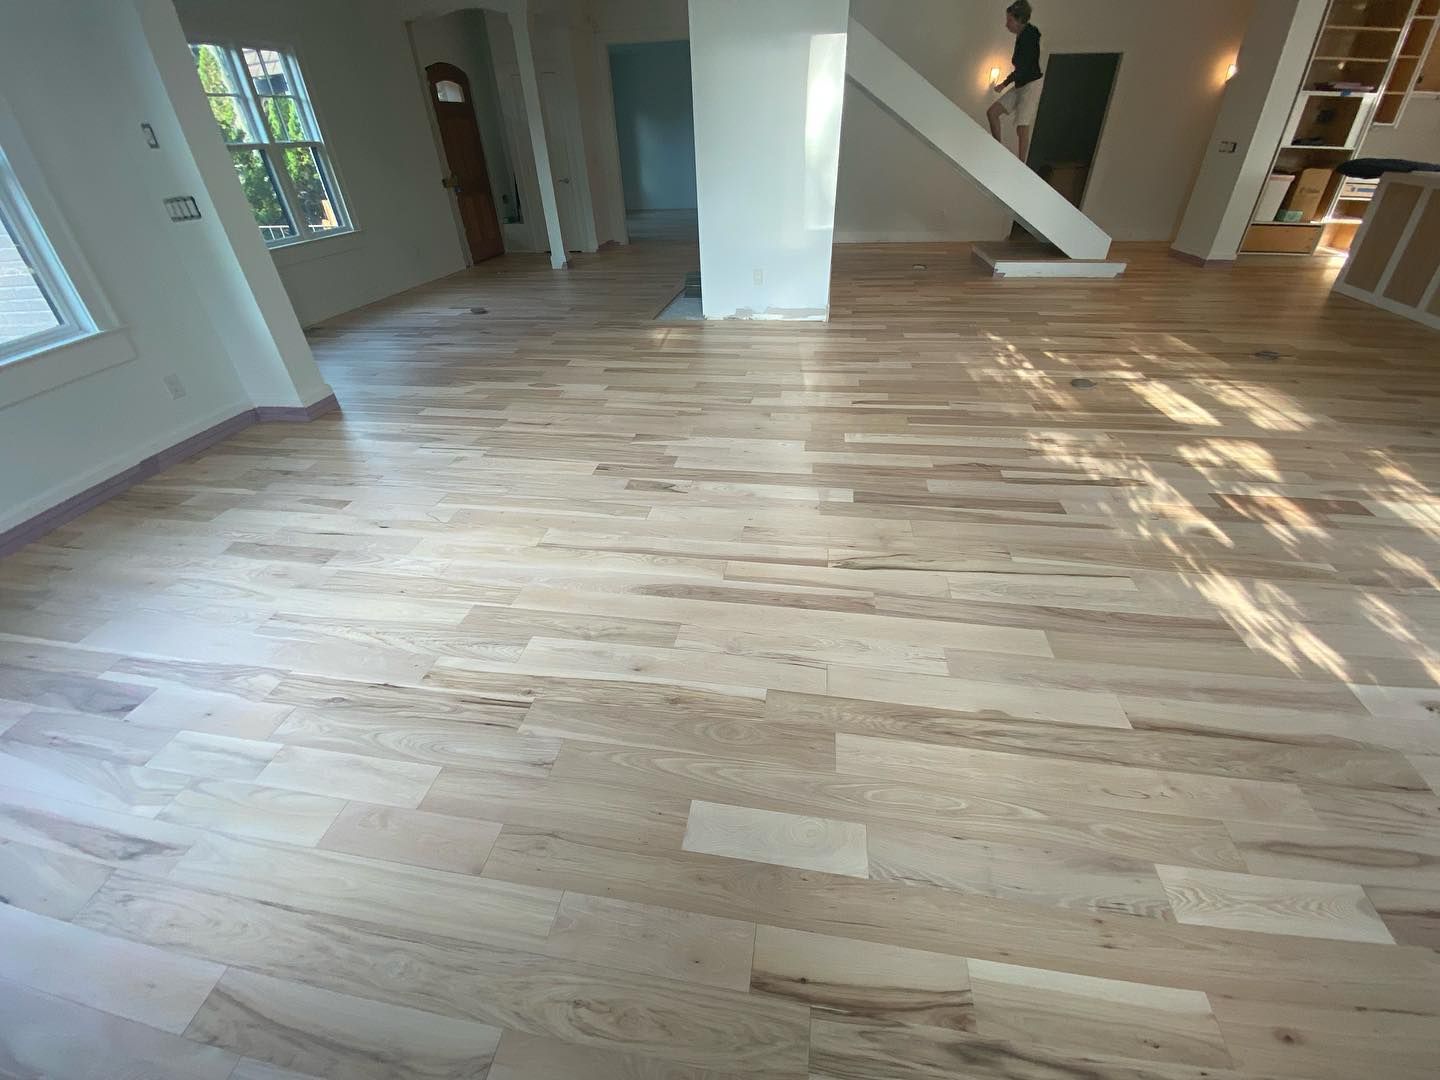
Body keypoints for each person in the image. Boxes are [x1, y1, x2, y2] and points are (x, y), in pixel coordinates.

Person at [987, 1, 1044, 164]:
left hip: (1031, 84)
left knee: (1022, 125)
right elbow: (1021, 69)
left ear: (1019, 21)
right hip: (1021, 83)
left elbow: (1023, 68)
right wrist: (1007, 84)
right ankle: (998, 148)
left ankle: (1022, 164)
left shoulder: (1029, 38)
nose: (1007, 25)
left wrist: (1004, 84)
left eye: (1010, 20)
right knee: (992, 113)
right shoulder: (1025, 35)